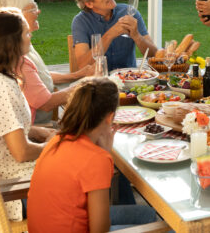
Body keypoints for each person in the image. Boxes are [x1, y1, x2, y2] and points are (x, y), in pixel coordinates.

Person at [27, 77, 158, 233]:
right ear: (110, 117)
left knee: (147, 214)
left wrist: (103, 155)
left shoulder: (56, 140)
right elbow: (100, 229)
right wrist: (104, 156)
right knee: (169, 228)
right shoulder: (96, 159)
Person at [0, 8, 56, 221]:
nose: (30, 35)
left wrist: (41, 131)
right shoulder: (1, 89)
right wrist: (50, 146)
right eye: (26, 33)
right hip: (16, 193)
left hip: (12, 179)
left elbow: (9, 127)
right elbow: (22, 152)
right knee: (90, 168)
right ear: (11, 43)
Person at [0, 0, 93, 124]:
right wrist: (89, 84)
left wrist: (77, 75)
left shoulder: (16, 47)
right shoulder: (17, 58)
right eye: (33, 8)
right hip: (37, 129)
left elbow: (37, 76)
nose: (38, 11)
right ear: (16, 15)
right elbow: (46, 103)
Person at [71, 0, 158, 71]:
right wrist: (110, 34)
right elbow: (83, 65)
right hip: (100, 81)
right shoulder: (81, 22)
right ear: (89, 3)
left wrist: (137, 36)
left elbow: (154, 55)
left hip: (130, 79)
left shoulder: (129, 13)